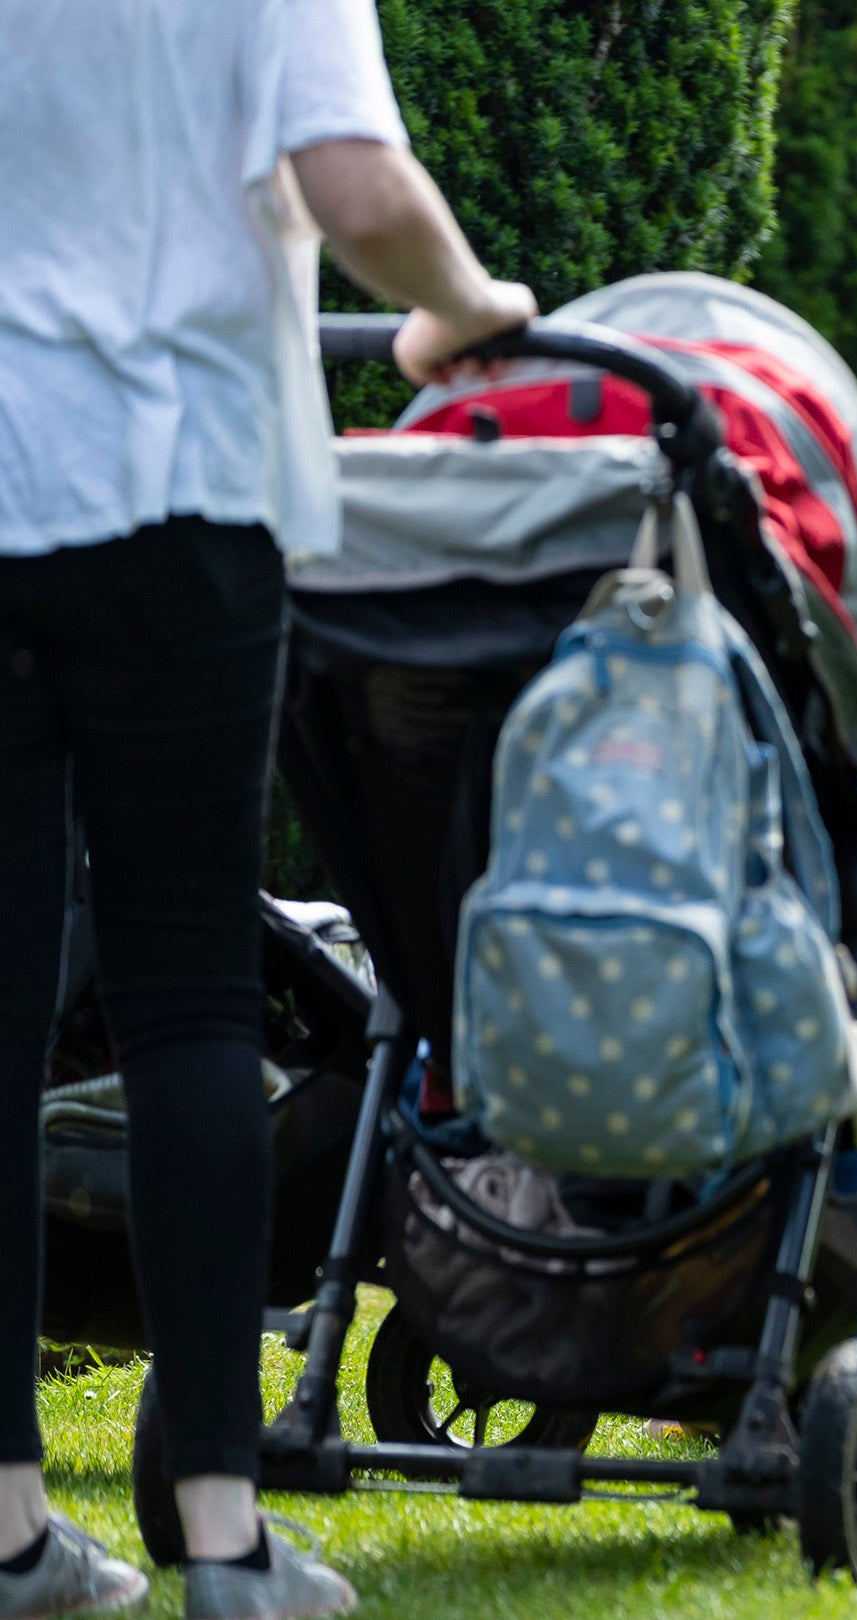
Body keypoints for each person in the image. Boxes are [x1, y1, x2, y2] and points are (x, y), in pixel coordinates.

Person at [0, 1, 533, 1611]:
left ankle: (11, 1528)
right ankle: (227, 1544)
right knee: (183, 1000)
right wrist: (469, 305)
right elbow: (353, 179)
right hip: (178, 478)